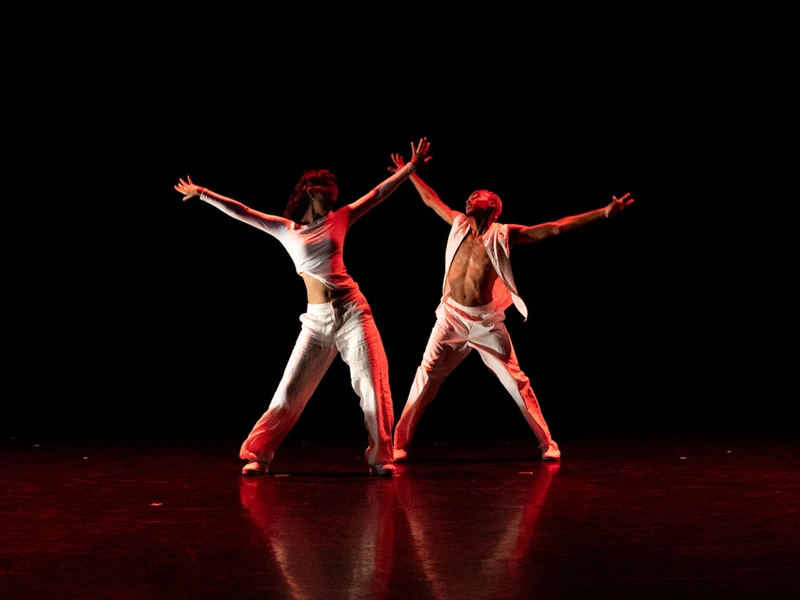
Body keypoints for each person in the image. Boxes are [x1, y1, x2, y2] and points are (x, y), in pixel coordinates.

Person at [173, 137, 432, 477]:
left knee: (373, 385)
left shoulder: (340, 218)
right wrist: (204, 193)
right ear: (312, 190)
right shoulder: (285, 229)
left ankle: (380, 456)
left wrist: (410, 168)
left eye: (337, 197)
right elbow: (243, 212)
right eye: (329, 194)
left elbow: (377, 195)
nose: (335, 199)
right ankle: (259, 453)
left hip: (353, 312)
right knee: (291, 389)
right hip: (316, 321)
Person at [387, 153, 633, 462]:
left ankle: (547, 443)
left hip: (485, 321)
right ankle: (397, 444)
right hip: (449, 316)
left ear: (492, 206)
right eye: (468, 197)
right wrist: (409, 171)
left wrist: (603, 213)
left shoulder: (503, 235)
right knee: (425, 377)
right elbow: (430, 199)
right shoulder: (459, 224)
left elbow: (555, 228)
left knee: (516, 382)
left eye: (476, 197)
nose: (468, 200)